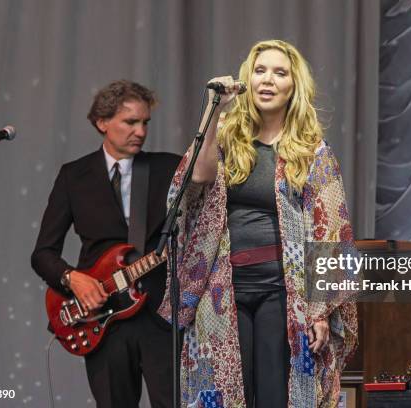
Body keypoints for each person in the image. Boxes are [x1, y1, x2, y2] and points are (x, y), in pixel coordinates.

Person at [159, 40, 358, 408]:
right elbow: (197, 177)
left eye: (279, 73)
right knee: (221, 395)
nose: (268, 80)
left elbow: (330, 232)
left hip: (282, 290)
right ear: (247, 80)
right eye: (260, 71)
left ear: (293, 86)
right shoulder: (228, 138)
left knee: (274, 396)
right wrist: (213, 108)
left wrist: (320, 312)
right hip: (222, 289)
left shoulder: (312, 151)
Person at [31, 80, 180, 408]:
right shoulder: (74, 176)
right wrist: (73, 279)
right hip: (103, 320)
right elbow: (42, 254)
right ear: (102, 122)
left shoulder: (170, 167)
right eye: (130, 122)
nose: (140, 131)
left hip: (161, 315)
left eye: (145, 123)